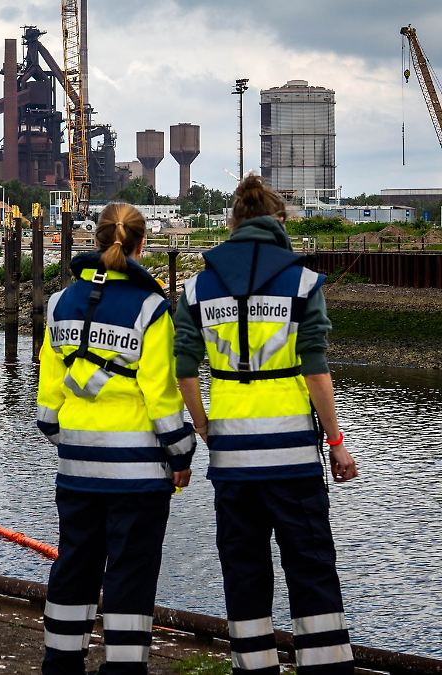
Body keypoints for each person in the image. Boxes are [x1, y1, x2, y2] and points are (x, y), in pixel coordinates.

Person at [174, 176, 358, 674]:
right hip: (293, 458)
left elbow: (185, 367)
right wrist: (337, 442)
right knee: (311, 567)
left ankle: (253, 668)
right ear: (277, 222)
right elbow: (315, 369)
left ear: (232, 223)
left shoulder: (197, 287)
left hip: (232, 459)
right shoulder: (302, 283)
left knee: (244, 571)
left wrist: (204, 425)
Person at [37, 202, 195, 675]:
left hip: (77, 472)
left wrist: (74, 439)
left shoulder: (59, 303)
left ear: (95, 238)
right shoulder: (151, 308)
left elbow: (47, 407)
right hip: (139, 476)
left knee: (74, 568)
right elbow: (162, 398)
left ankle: (61, 665)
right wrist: (183, 451)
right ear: (142, 244)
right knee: (130, 573)